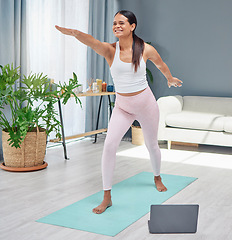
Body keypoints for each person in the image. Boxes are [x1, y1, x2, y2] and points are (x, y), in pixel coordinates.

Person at [55, 10, 182, 214]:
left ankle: (157, 176)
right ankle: (107, 196)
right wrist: (75, 33)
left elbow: (161, 64)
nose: (117, 26)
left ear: (132, 26)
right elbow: (92, 41)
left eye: (122, 23)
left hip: (146, 104)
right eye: (114, 23)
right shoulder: (109, 51)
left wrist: (169, 78)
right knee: (109, 145)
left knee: (151, 145)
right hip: (123, 106)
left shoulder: (145, 50)